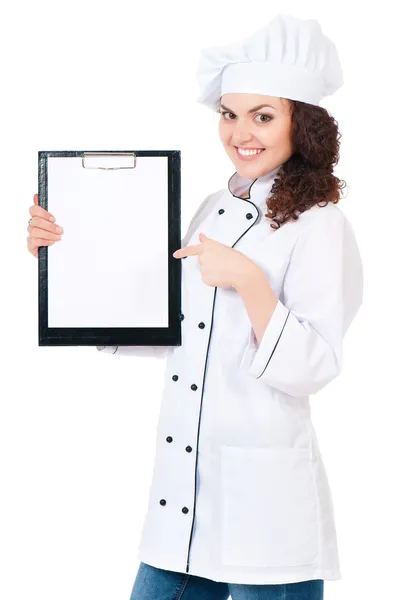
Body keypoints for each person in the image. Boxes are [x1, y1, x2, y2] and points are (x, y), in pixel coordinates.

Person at [27, 13, 364, 600]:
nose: (241, 133)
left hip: (267, 510)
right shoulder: (212, 205)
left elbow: (315, 366)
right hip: (183, 492)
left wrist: (252, 285)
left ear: (300, 124)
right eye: (229, 115)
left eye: (263, 115)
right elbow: (176, 324)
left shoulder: (321, 224)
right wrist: (66, 259)